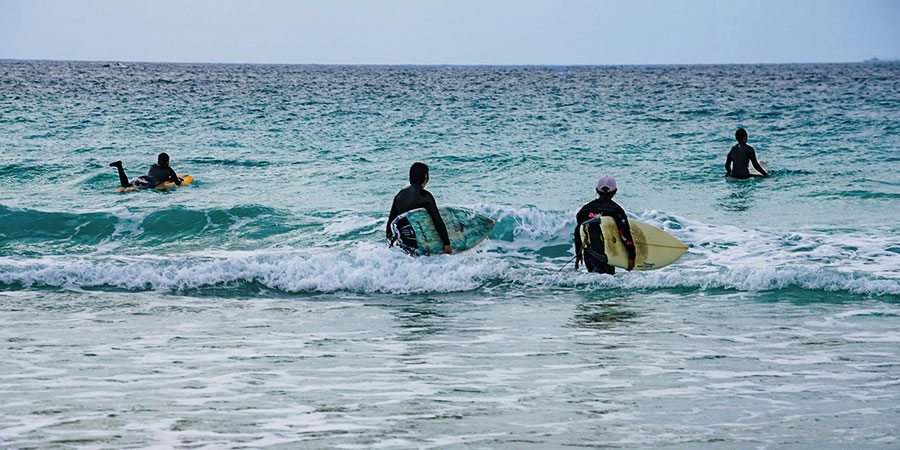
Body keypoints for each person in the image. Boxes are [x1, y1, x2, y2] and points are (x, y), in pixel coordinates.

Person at [386, 162, 452, 254]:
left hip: (407, 241)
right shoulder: (425, 196)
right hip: (422, 242)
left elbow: (391, 222)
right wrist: (446, 243)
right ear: (425, 177)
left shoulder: (400, 195)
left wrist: (389, 243)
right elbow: (437, 220)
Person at [574, 175, 635, 274]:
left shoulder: (584, 210)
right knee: (607, 282)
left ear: (596, 190)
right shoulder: (616, 210)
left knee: (593, 280)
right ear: (615, 191)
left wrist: (578, 254)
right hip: (607, 254)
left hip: (590, 254)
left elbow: (578, 232)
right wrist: (632, 256)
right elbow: (624, 236)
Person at [110, 153, 182, 189]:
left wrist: (168, 178)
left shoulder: (153, 166)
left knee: (126, 185)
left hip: (143, 178)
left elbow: (158, 175)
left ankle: (119, 167)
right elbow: (178, 183)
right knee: (134, 188)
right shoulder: (169, 169)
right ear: (167, 162)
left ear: (158, 161)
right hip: (152, 183)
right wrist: (179, 179)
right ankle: (119, 166)